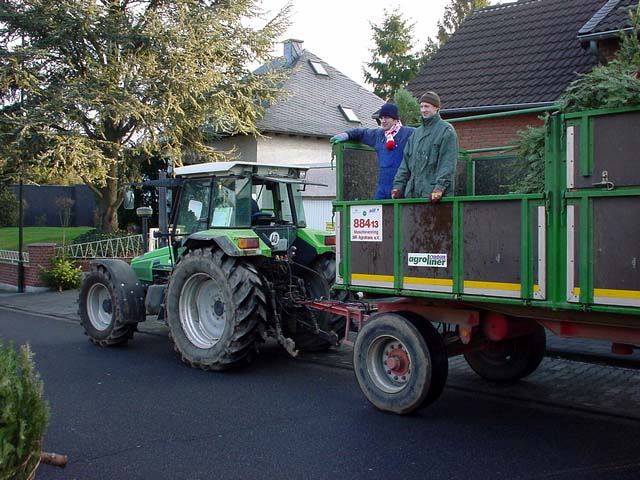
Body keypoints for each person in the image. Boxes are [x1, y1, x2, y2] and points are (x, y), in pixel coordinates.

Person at [330, 103, 414, 200]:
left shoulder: (408, 133)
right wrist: (345, 135)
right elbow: (361, 133)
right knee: (378, 212)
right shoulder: (378, 135)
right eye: (381, 118)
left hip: (400, 188)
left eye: (386, 118)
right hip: (383, 188)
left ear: (395, 120)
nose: (383, 121)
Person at [391, 91, 458, 202]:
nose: (423, 110)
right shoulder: (416, 134)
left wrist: (440, 188)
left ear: (436, 108)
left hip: (436, 197)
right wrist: (398, 186)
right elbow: (405, 163)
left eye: (427, 106)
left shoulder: (446, 131)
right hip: (413, 195)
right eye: (421, 106)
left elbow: (448, 163)